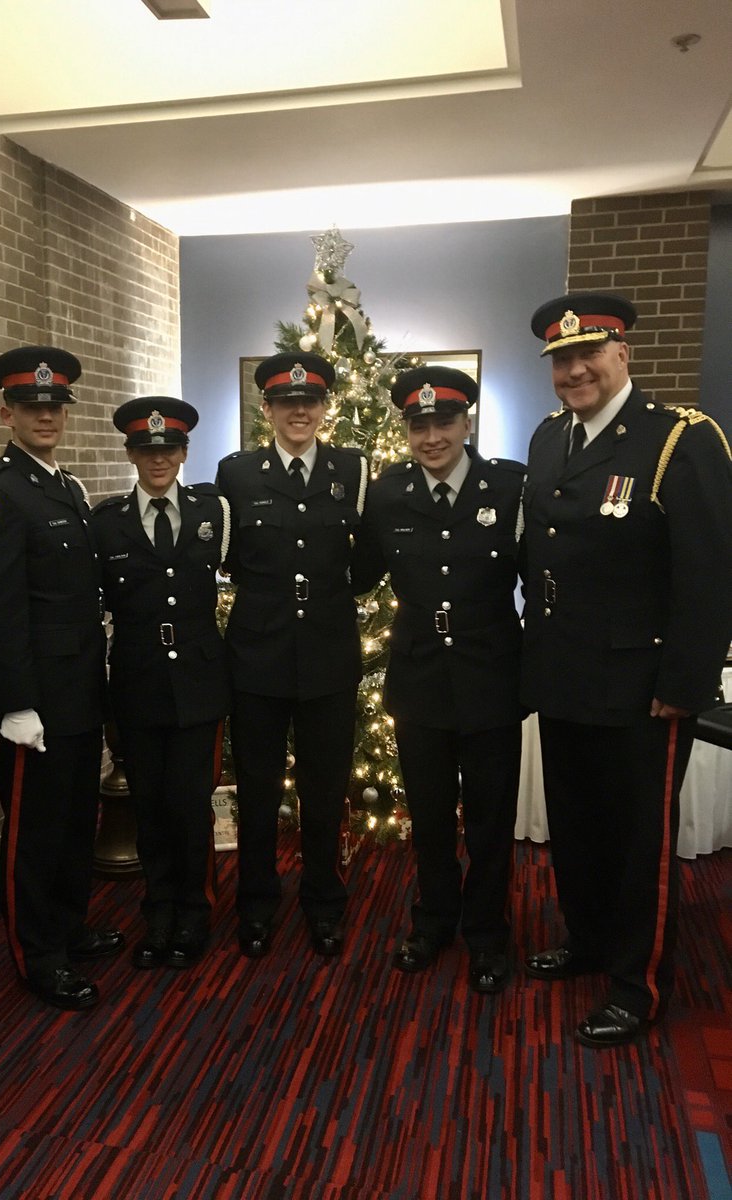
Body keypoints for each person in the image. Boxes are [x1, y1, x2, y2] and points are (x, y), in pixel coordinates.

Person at [521, 291, 732, 1046]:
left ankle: (637, 985)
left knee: (640, 838)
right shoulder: (551, 439)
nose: (574, 370)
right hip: (564, 675)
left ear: (622, 354)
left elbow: (710, 575)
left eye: (588, 354)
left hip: (643, 689)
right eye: (560, 360)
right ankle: (587, 942)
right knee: (576, 829)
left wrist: (684, 685)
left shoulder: (680, 440)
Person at [351, 367, 524, 992]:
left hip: (492, 683)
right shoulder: (389, 493)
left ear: (466, 421)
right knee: (427, 818)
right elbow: (358, 572)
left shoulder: (509, 487)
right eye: (418, 425)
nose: (431, 437)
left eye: (443, 422)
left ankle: (486, 933)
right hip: (420, 682)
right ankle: (432, 922)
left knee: (488, 820)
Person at [0, 346, 121, 1011]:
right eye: (32, 406)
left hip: (81, 691)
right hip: (39, 704)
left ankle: (69, 924)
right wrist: (17, 702)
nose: (46, 416)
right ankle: (38, 955)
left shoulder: (64, 486)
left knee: (76, 820)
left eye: (55, 406)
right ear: (8, 412)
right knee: (35, 834)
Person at [217, 352, 367, 959]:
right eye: (286, 402)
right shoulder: (237, 474)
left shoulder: (352, 469)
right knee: (255, 787)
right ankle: (255, 903)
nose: (298, 410)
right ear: (268, 410)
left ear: (325, 406)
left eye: (309, 401)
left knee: (326, 788)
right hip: (257, 655)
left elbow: (367, 556)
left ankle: (323, 902)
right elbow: (228, 559)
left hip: (329, 657)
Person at [92, 397, 231, 969]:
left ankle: (194, 915)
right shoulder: (106, 522)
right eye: (147, 449)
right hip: (138, 682)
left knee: (190, 804)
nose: (159, 458)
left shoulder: (215, 512)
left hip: (198, 682)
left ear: (184, 452)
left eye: (169, 448)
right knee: (150, 809)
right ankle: (159, 914)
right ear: (130, 453)